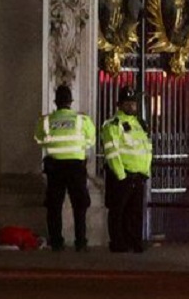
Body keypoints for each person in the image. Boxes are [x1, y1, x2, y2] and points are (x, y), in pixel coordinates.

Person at [33, 84, 95, 251]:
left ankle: (56, 242)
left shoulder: (46, 121)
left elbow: (39, 140)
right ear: (70, 102)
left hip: (55, 167)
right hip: (76, 166)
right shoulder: (82, 120)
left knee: (54, 206)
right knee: (79, 206)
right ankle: (80, 242)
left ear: (56, 102)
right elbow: (91, 141)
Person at [101, 86, 153, 253]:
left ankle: (134, 241)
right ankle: (118, 242)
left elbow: (145, 149)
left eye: (133, 103)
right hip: (123, 175)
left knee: (135, 211)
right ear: (120, 105)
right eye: (128, 103)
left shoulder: (139, 124)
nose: (131, 106)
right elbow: (112, 152)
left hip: (139, 175)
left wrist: (145, 172)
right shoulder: (113, 124)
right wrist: (121, 175)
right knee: (119, 211)